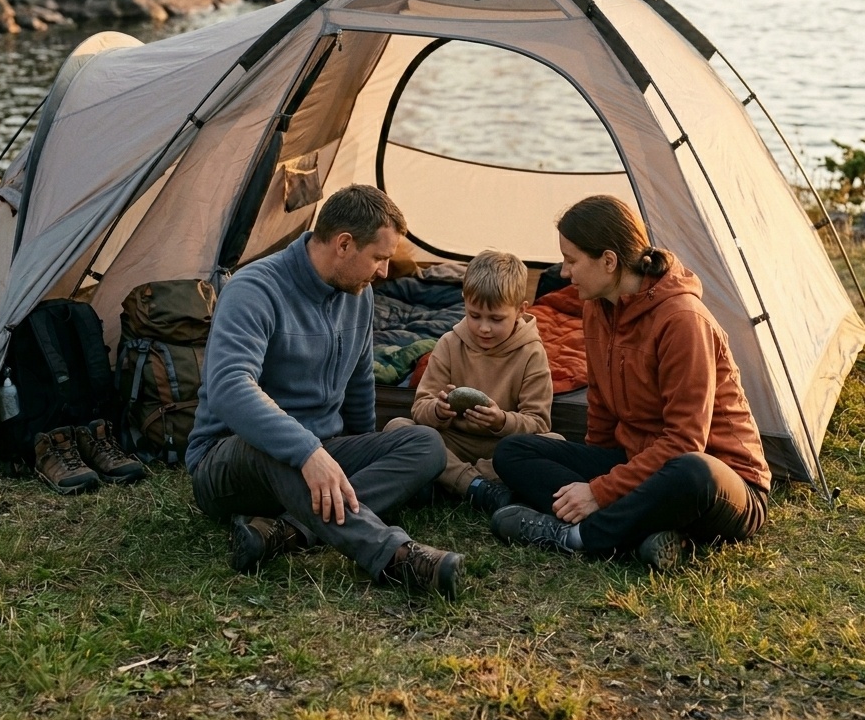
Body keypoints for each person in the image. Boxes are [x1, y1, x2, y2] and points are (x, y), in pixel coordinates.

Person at [185, 184, 464, 599]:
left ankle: (288, 529)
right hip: (231, 459)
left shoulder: (360, 293)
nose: (385, 272)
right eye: (379, 258)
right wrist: (308, 452)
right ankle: (395, 558)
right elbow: (229, 387)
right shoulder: (254, 289)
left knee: (425, 444)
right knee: (276, 447)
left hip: (323, 447)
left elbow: (358, 382)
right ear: (344, 244)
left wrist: (360, 445)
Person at [490, 195, 771, 571]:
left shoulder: (683, 321)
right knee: (513, 451)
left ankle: (575, 536)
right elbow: (602, 408)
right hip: (639, 461)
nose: (564, 272)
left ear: (608, 261)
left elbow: (686, 442)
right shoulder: (596, 308)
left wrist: (599, 491)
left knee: (692, 470)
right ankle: (642, 532)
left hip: (721, 483)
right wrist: (594, 475)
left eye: (572, 260)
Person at [386, 250, 554, 516]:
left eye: (496, 319)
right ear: (464, 302)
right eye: (475, 316)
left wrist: (501, 421)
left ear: (521, 310)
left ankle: (450, 482)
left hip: (501, 450)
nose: (484, 328)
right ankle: (477, 487)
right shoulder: (449, 343)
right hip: (451, 443)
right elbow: (420, 409)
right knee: (397, 428)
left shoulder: (531, 352)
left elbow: (539, 423)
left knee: (555, 442)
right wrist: (439, 411)